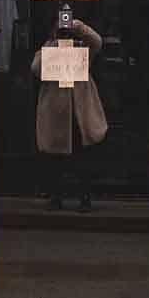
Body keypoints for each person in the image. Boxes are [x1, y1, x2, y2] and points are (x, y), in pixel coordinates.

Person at [31, 11, 107, 211]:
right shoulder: (48, 49)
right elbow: (36, 68)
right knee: (56, 159)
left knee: (83, 160)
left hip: (79, 112)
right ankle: (56, 197)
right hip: (57, 114)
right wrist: (53, 42)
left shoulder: (82, 49)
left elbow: (98, 42)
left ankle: (85, 198)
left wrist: (78, 27)